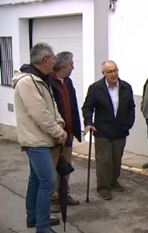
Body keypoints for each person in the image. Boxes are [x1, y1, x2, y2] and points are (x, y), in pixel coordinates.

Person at [12, 42, 67, 233]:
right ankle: (42, 229)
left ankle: (33, 216)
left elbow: (51, 106)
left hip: (41, 139)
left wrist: (59, 123)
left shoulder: (40, 79)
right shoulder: (28, 82)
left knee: (36, 179)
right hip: (36, 140)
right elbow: (40, 113)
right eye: (53, 58)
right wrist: (58, 132)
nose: (55, 61)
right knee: (48, 181)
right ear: (45, 61)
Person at [81, 60, 135, 200]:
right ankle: (103, 187)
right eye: (110, 71)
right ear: (103, 73)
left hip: (120, 130)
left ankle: (113, 181)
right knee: (104, 160)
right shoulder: (95, 88)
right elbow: (87, 107)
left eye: (115, 70)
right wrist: (88, 122)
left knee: (116, 159)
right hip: (102, 130)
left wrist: (129, 123)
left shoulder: (125, 87)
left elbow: (131, 106)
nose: (113, 74)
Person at [49, 51, 81, 213]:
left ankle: (64, 194)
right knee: (54, 167)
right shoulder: (49, 83)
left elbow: (73, 107)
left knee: (66, 166)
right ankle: (54, 198)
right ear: (62, 66)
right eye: (71, 64)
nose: (73, 67)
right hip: (55, 135)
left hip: (68, 133)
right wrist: (56, 131)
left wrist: (76, 129)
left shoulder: (68, 82)